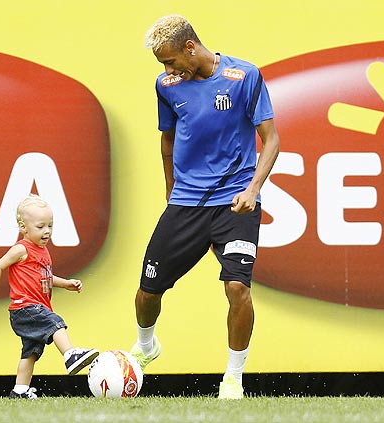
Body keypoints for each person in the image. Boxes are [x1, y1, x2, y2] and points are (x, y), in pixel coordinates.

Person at [130, 15, 280, 399]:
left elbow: (271, 139)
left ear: (190, 48)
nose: (168, 70)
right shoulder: (166, 85)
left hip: (235, 204)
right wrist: (170, 191)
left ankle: (233, 379)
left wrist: (253, 189)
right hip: (186, 204)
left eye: (171, 61)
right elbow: (167, 141)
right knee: (148, 293)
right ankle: (146, 345)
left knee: (237, 288)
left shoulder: (244, 76)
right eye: (162, 65)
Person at [0, 194, 99, 399]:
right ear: (23, 227)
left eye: (50, 226)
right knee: (56, 323)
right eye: (41, 226)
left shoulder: (42, 251)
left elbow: (45, 278)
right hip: (25, 308)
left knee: (31, 352)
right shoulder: (21, 249)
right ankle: (70, 354)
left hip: (32, 309)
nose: (47, 231)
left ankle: (20, 390)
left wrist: (66, 283)